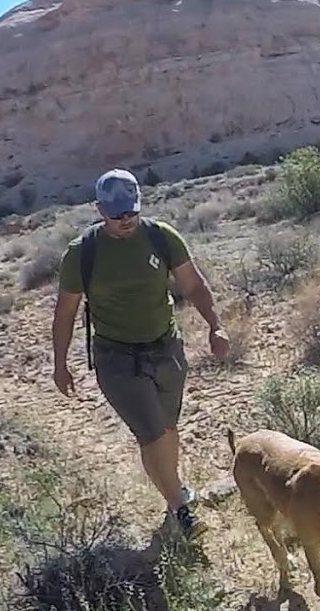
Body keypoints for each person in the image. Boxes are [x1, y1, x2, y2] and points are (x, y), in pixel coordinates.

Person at [51, 169, 229, 535]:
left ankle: (172, 489)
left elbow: (193, 285)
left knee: (167, 428)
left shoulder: (160, 237)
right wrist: (60, 363)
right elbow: (65, 312)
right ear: (100, 210)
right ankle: (181, 511)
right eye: (116, 214)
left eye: (129, 212)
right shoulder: (82, 253)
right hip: (117, 359)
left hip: (166, 348)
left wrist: (215, 324)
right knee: (150, 431)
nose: (124, 220)